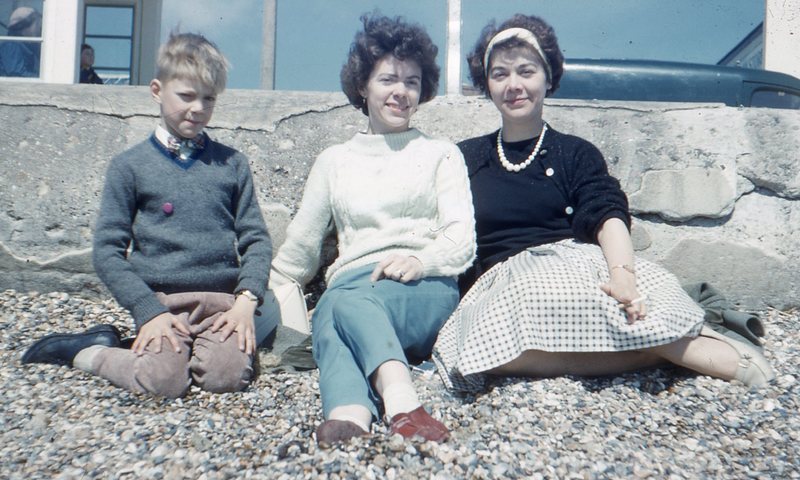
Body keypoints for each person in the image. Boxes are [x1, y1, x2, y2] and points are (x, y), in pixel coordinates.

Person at [432, 14, 775, 393]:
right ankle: (662, 349)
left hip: (569, 271)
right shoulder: (467, 157)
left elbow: (607, 213)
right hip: (503, 284)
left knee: (565, 300)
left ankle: (698, 352)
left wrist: (622, 275)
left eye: (526, 71)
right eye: (500, 74)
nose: (514, 85)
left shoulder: (574, 152)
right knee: (478, 354)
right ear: (487, 84)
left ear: (548, 77)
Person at [22, 32, 277, 398]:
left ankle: (180, 353)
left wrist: (246, 302)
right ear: (157, 90)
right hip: (162, 304)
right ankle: (89, 352)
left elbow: (256, 239)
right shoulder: (129, 167)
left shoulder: (233, 164)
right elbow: (107, 252)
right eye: (186, 96)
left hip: (221, 306)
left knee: (226, 378)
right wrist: (148, 310)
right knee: (162, 383)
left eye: (209, 98)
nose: (198, 108)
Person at [270, 13, 476, 446]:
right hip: (353, 290)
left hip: (421, 289)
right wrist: (256, 294)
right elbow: (299, 252)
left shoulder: (441, 154)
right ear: (363, 86)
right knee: (334, 307)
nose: (401, 91)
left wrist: (420, 260)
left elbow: (461, 239)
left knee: (339, 303)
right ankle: (351, 417)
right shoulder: (334, 161)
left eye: (412, 82)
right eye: (388, 79)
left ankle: (401, 400)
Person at [0, 7, 42, 77]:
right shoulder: (11, 44)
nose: (40, 30)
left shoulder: (28, 45)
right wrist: (41, 78)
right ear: (24, 27)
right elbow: (16, 73)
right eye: (38, 25)